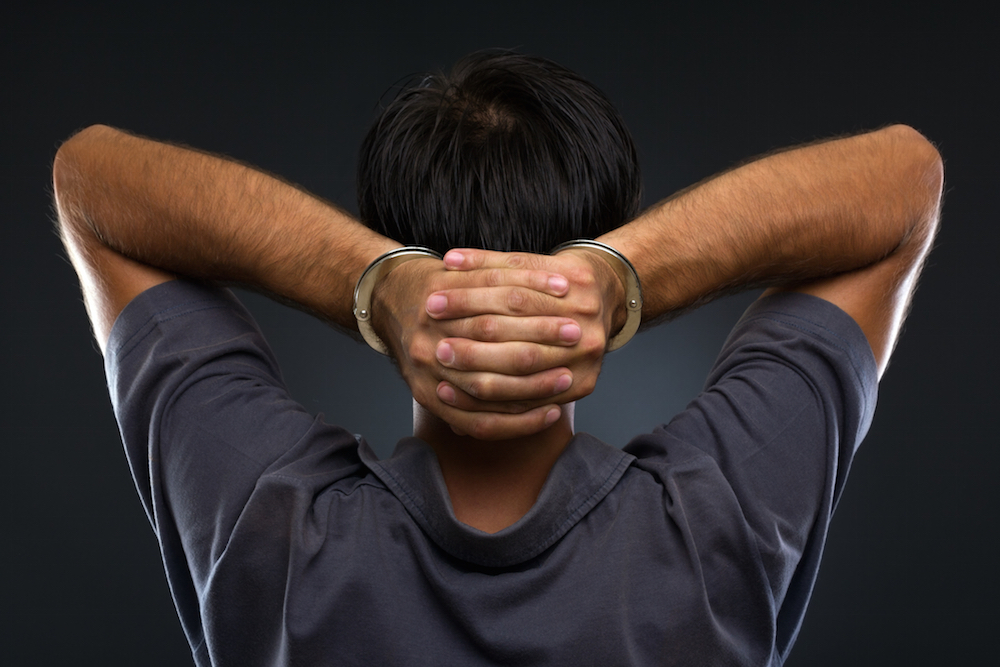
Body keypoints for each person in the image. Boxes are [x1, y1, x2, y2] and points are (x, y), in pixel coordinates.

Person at [53, 52, 942, 666]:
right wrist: (625, 273)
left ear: (392, 235)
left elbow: (91, 187)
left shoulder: (272, 520)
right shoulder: (718, 521)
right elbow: (906, 185)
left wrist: (369, 281)